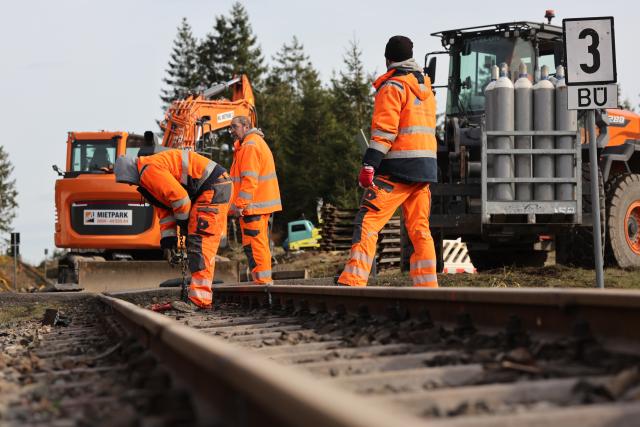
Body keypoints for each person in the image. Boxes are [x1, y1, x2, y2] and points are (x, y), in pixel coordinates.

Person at [336, 35, 438, 288]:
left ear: (388, 59)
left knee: (368, 221)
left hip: (397, 171)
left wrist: (370, 163)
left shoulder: (393, 87)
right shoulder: (426, 88)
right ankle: (427, 286)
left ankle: (353, 281)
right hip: (425, 170)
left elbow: (385, 132)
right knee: (419, 229)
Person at [114, 149, 232, 309]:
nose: (129, 184)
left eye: (128, 181)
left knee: (200, 243)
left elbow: (181, 200)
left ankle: (200, 300)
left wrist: (184, 225)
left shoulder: (148, 170)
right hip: (211, 186)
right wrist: (168, 240)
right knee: (198, 241)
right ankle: (199, 298)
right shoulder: (147, 175)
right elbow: (165, 211)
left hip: (213, 186)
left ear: (131, 173)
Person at [228, 116, 281, 285]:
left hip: (253, 206)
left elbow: (249, 180)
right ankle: (262, 282)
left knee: (255, 245)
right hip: (256, 205)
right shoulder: (249, 145)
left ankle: (264, 283)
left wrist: (239, 206)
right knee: (256, 245)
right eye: (230, 127)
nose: (232, 131)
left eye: (234, 127)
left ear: (245, 126)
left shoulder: (250, 146)